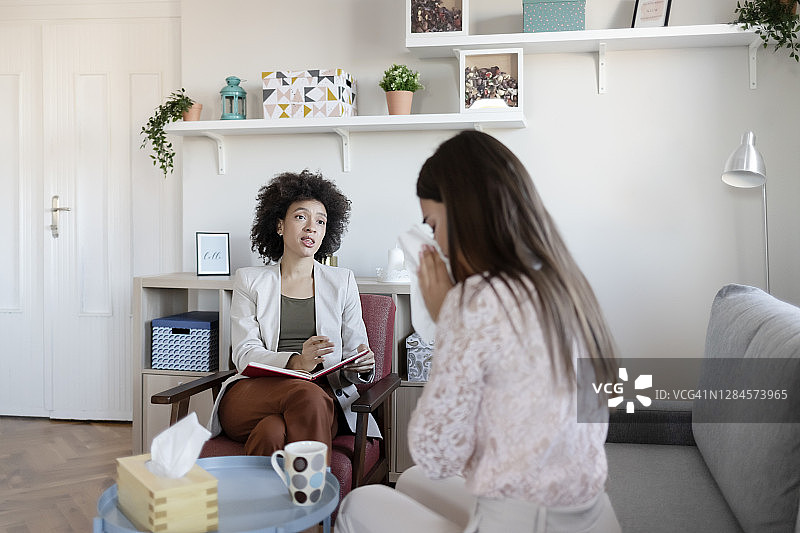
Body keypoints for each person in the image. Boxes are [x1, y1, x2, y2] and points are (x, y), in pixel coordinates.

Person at [336, 131, 621, 533]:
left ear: (464, 213)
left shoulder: (479, 298)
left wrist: (446, 319)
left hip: (528, 523)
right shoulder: (560, 280)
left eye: (433, 224)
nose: (436, 242)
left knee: (359, 503)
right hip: (589, 513)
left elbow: (435, 452)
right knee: (414, 479)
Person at [207, 170, 381, 458]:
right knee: (305, 395)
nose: (311, 227)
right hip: (254, 394)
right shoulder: (249, 280)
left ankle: (266, 501)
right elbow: (244, 353)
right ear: (279, 225)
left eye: (321, 221)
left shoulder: (343, 282)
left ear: (326, 232)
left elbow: (353, 353)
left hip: (321, 400)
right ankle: (317, 499)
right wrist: (298, 361)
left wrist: (360, 365)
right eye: (301, 217)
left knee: (272, 431)